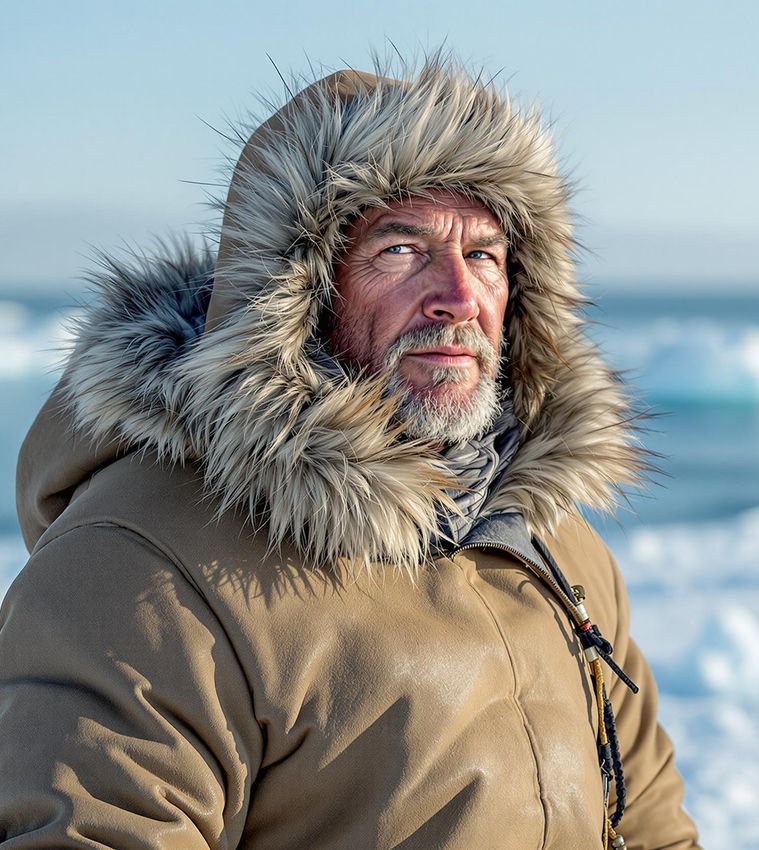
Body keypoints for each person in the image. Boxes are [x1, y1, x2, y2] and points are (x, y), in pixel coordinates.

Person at [0, 57, 700, 850]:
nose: (458, 297)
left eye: (484, 255)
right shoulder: (138, 572)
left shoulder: (552, 546)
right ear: (294, 296)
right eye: (401, 251)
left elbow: (650, 825)